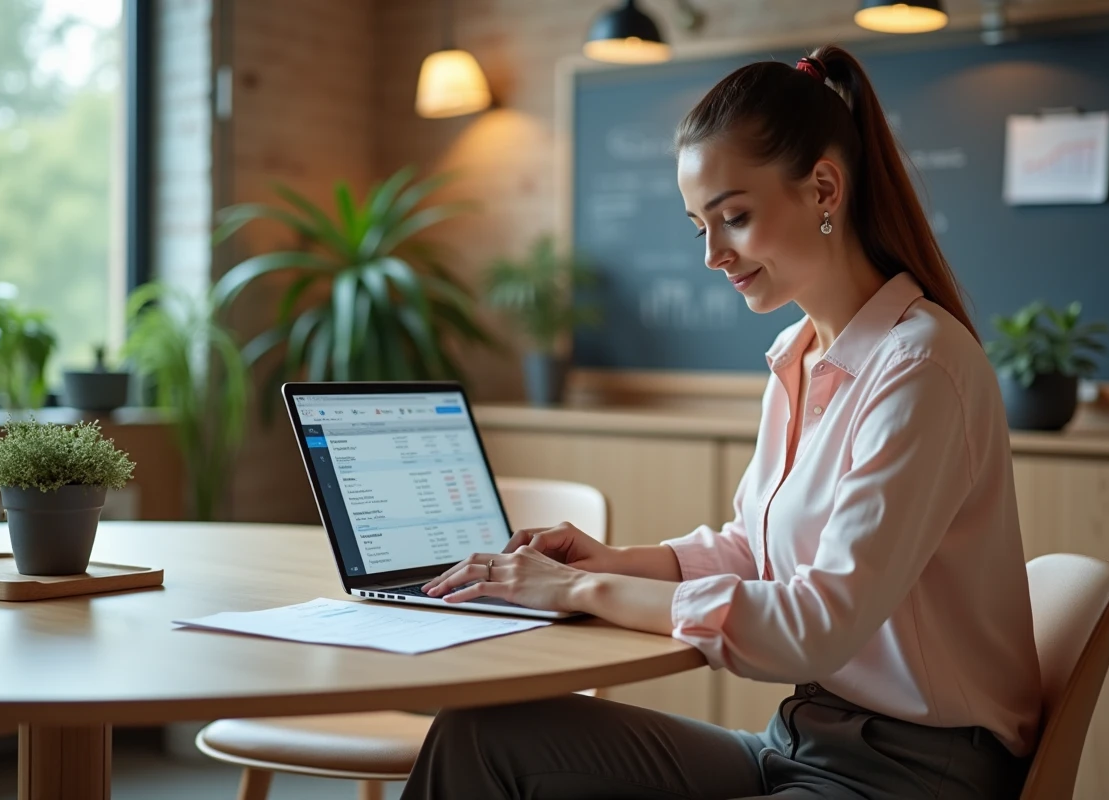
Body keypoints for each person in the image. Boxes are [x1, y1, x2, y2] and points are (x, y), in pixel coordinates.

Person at [401, 44, 1042, 800]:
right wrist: (607, 562)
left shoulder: (921, 368)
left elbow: (817, 623)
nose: (713, 254)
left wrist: (574, 593)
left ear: (824, 189)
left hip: (909, 775)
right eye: (698, 226)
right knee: (481, 733)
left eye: (733, 217)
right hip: (803, 740)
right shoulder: (798, 358)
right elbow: (750, 546)